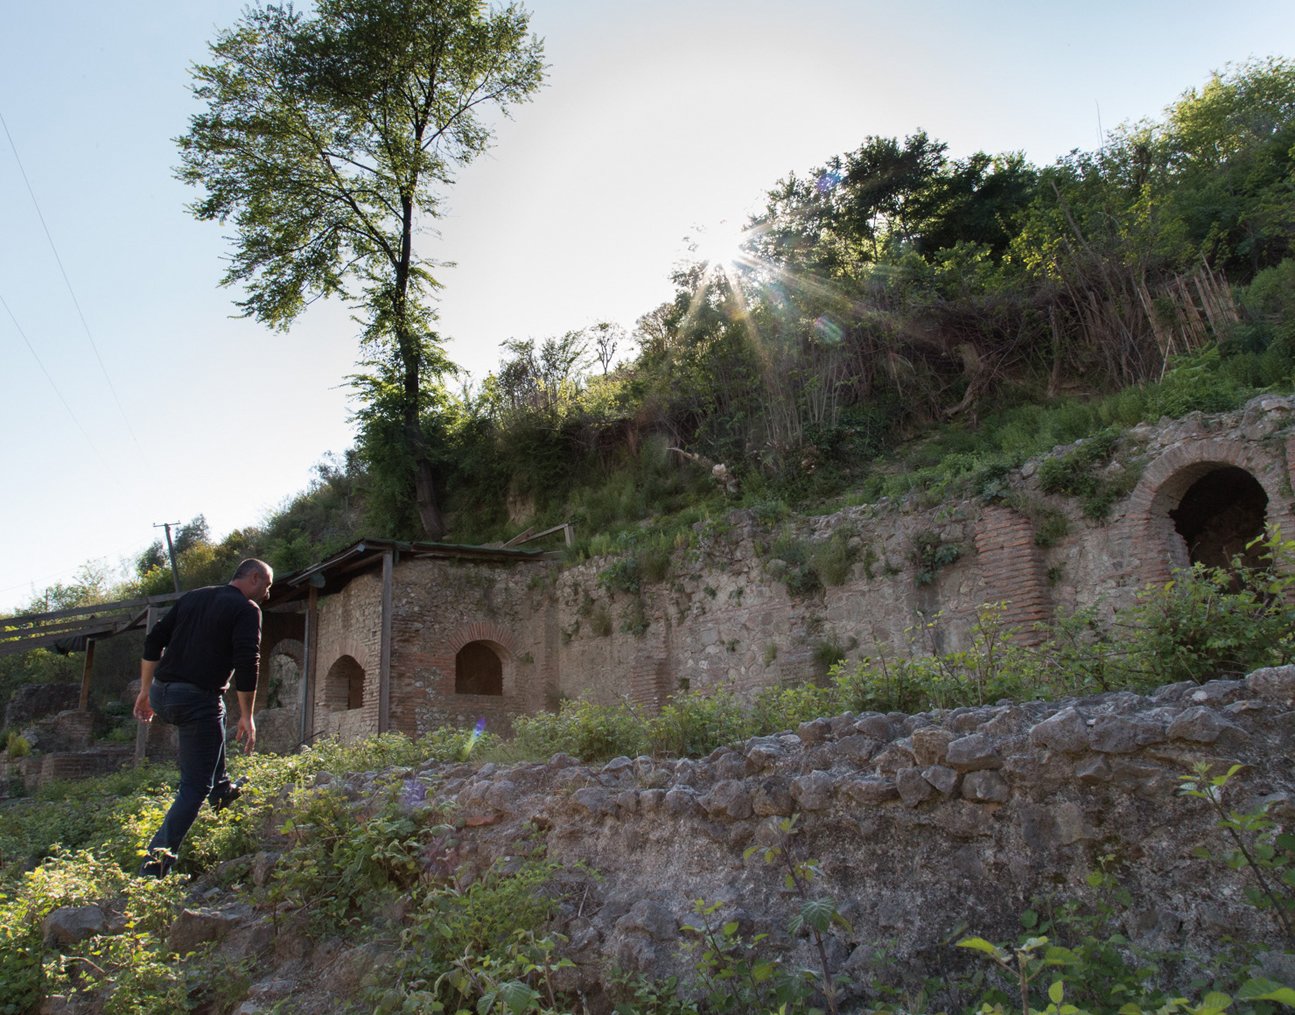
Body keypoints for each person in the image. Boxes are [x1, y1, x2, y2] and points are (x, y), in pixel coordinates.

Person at [133, 558, 273, 877]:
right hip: (195, 699)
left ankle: (222, 789)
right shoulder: (247, 609)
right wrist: (248, 716)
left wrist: (145, 691)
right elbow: (248, 662)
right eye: (266, 586)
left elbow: (154, 640)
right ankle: (153, 868)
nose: (267, 593)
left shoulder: (193, 596)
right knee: (194, 788)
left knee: (216, 712)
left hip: (162, 693)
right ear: (253, 578)